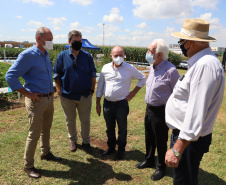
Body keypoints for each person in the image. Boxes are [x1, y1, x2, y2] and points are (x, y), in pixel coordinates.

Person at [165, 18, 225, 185]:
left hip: (188, 140)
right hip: (188, 138)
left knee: (184, 181)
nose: (180, 45)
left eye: (180, 41)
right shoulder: (202, 63)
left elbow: (196, 112)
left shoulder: (204, 66)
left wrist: (177, 150)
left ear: (190, 42)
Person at [5, 27, 62, 179]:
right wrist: (27, 93)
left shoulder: (45, 53)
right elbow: (10, 76)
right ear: (39, 39)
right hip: (36, 101)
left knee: (46, 129)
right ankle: (28, 165)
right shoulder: (27, 55)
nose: (51, 42)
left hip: (48, 98)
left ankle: (46, 153)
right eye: (49, 39)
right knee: (34, 133)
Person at [135, 39, 180, 181]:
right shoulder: (152, 66)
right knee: (149, 136)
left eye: (150, 50)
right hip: (149, 109)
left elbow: (178, 94)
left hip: (162, 111)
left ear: (159, 54)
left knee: (160, 140)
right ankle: (149, 160)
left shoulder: (171, 70)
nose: (147, 53)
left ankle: (160, 167)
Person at [96, 46, 146, 160]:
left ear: (124, 56)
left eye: (120, 55)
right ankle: (111, 147)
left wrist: (133, 93)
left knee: (122, 129)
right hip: (107, 104)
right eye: (116, 55)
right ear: (111, 56)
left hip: (121, 104)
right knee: (109, 128)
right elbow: (100, 86)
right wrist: (98, 103)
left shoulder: (129, 68)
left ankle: (121, 150)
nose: (118, 57)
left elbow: (142, 78)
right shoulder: (105, 68)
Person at [53, 30, 96, 152]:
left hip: (84, 95)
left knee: (85, 120)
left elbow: (93, 74)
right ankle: (73, 140)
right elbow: (57, 75)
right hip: (67, 96)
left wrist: (92, 90)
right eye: (75, 41)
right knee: (70, 120)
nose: (78, 43)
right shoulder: (62, 56)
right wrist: (59, 90)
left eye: (79, 41)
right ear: (69, 41)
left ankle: (86, 141)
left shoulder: (87, 56)